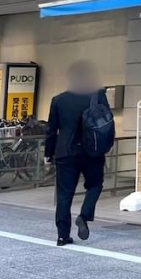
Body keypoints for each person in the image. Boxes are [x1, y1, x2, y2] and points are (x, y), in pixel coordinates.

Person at [45, 60, 107, 247]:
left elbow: (51, 130)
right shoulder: (98, 98)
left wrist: (49, 153)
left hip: (65, 151)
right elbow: (106, 124)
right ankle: (84, 215)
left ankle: (62, 236)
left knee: (64, 195)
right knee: (95, 184)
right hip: (92, 151)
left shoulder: (59, 100)